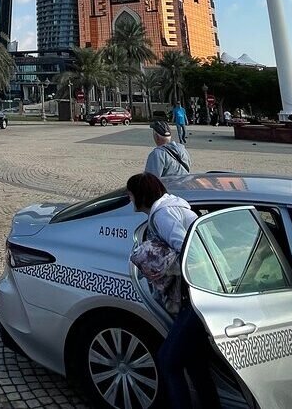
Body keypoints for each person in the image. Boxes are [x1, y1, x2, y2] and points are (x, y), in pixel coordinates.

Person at [126, 172, 218, 409]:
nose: (129, 198)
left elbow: (191, 254)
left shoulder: (163, 215)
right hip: (203, 291)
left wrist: (160, 264)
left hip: (197, 296)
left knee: (168, 361)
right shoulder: (171, 208)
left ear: (140, 195)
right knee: (195, 363)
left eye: (130, 194)